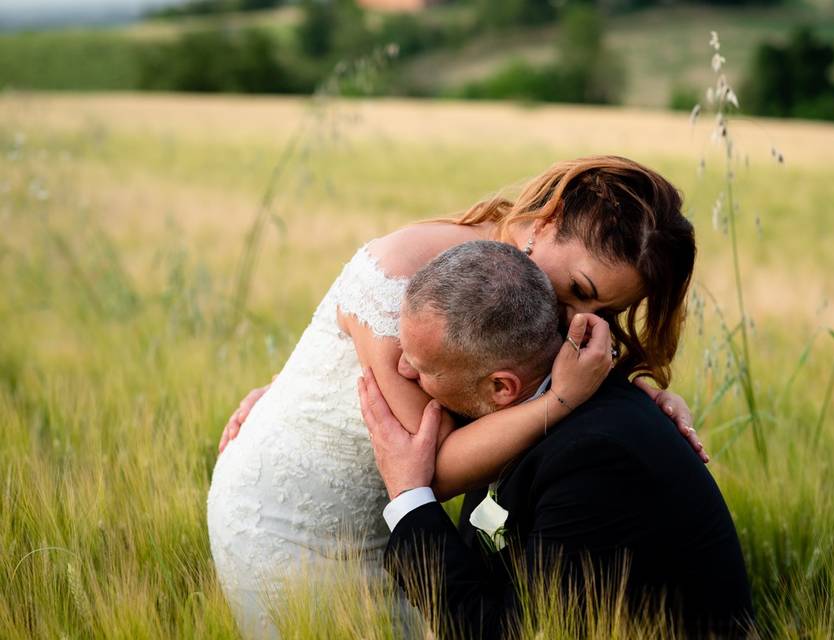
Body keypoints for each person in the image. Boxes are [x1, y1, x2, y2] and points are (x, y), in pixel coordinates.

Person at [208, 156, 702, 638]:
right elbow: (431, 470)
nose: (577, 319)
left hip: (390, 532)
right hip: (291, 517)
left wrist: (641, 403)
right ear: (546, 223)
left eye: (604, 308)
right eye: (578, 289)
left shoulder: (521, 286)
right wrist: (561, 403)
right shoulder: (407, 270)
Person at [359, 241, 754, 639]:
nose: (401, 369)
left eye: (422, 366)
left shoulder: (597, 461)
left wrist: (409, 495)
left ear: (501, 387)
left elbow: (507, 634)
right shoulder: (528, 403)